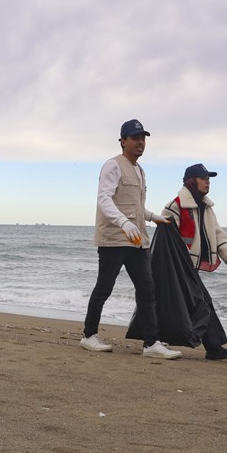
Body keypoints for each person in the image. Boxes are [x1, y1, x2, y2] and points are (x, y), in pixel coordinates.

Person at [80, 119, 181, 359]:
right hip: (113, 240)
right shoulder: (112, 166)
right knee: (104, 287)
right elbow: (104, 199)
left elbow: (136, 206)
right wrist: (123, 222)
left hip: (137, 241)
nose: (140, 143)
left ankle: (151, 343)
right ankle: (89, 335)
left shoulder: (140, 171)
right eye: (135, 138)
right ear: (123, 141)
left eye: (143, 138)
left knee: (147, 290)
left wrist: (154, 217)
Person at [161, 163, 227, 360]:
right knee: (200, 303)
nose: (208, 182)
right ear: (191, 180)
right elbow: (166, 242)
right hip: (178, 268)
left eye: (209, 179)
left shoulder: (206, 208)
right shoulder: (175, 207)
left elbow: (216, 233)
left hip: (190, 268)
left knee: (192, 304)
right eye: (204, 178)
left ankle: (162, 339)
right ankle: (210, 346)